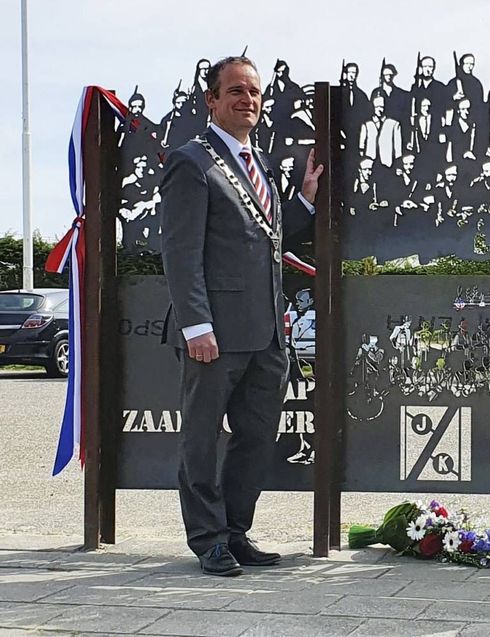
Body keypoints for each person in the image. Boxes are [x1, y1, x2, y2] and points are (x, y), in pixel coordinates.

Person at [160, 56, 323, 577]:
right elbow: (180, 253)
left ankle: (235, 531)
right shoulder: (192, 162)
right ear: (211, 100)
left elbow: (263, 237)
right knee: (202, 439)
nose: (246, 100)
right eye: (234, 91)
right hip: (215, 334)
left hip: (267, 332)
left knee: (256, 437)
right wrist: (196, 325)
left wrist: (302, 201)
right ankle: (207, 539)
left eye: (253, 92)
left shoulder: (261, 163)